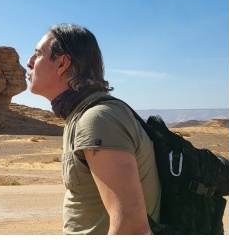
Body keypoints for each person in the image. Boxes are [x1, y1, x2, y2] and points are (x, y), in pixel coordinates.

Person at [27, 23, 161, 235]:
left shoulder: (97, 120)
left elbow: (131, 226)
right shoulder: (81, 115)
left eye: (38, 54)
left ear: (62, 63)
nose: (29, 62)